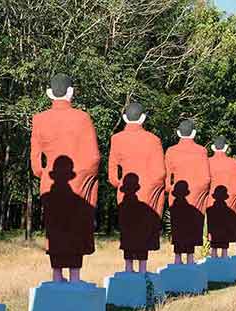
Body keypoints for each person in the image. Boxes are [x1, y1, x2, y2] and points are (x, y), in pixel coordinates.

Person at [30, 74, 100, 283]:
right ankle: (75, 276)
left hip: (50, 183)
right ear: (71, 92)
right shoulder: (82, 118)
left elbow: (35, 160)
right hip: (78, 183)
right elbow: (94, 157)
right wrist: (83, 177)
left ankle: (57, 275)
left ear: (49, 93)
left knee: (56, 228)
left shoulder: (39, 119)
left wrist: (43, 174)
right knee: (75, 228)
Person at [108, 103, 165, 273]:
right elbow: (160, 171)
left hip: (126, 191)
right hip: (147, 192)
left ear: (125, 117)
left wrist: (118, 184)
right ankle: (142, 268)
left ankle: (128, 267)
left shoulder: (116, 139)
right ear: (143, 118)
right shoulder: (153, 140)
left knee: (128, 228)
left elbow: (112, 171)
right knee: (143, 229)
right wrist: (154, 187)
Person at [165, 120, 211, 264]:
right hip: (196, 195)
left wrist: (170, 190)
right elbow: (206, 178)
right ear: (194, 133)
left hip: (176, 194)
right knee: (192, 225)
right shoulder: (202, 151)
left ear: (178, 133)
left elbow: (167, 177)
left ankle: (177, 258)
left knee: (178, 225)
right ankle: (190, 258)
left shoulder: (171, 151)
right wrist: (200, 194)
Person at [206, 136, 236, 258]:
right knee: (225, 226)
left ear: (212, 147)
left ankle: (213, 253)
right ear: (226, 148)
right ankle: (224, 254)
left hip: (211, 201)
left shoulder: (208, 162)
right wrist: (232, 200)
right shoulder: (233, 163)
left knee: (213, 226)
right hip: (228, 201)